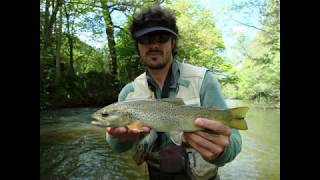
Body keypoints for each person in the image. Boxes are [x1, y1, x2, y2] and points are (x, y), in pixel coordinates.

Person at [105, 5, 242, 180]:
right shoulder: (129, 93)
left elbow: (235, 142)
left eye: (162, 38)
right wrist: (116, 136)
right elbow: (118, 147)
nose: (154, 45)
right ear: (137, 46)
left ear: (173, 42)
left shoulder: (203, 80)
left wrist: (223, 152)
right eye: (146, 39)